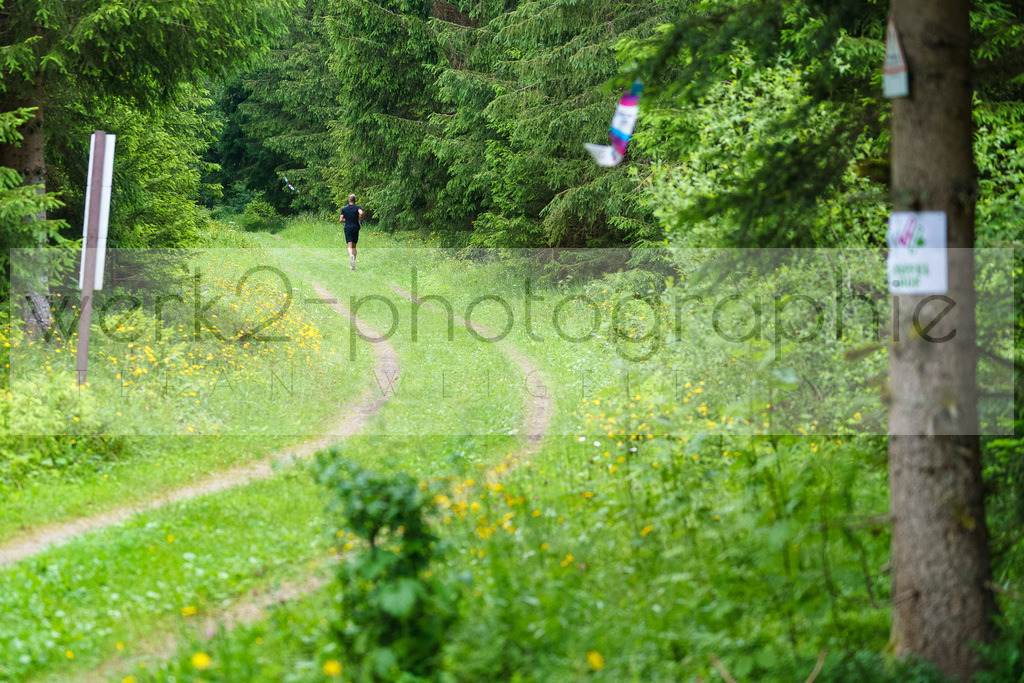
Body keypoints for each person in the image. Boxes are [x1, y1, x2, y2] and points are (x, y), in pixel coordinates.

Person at [339, 194, 364, 270]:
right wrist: (361, 220)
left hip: (348, 228)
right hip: (355, 228)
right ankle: (352, 265)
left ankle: (351, 257)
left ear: (348, 200)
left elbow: (341, 219)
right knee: (354, 246)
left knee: (349, 246)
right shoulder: (357, 208)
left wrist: (347, 220)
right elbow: (361, 213)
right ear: (355, 200)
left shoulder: (344, 209)